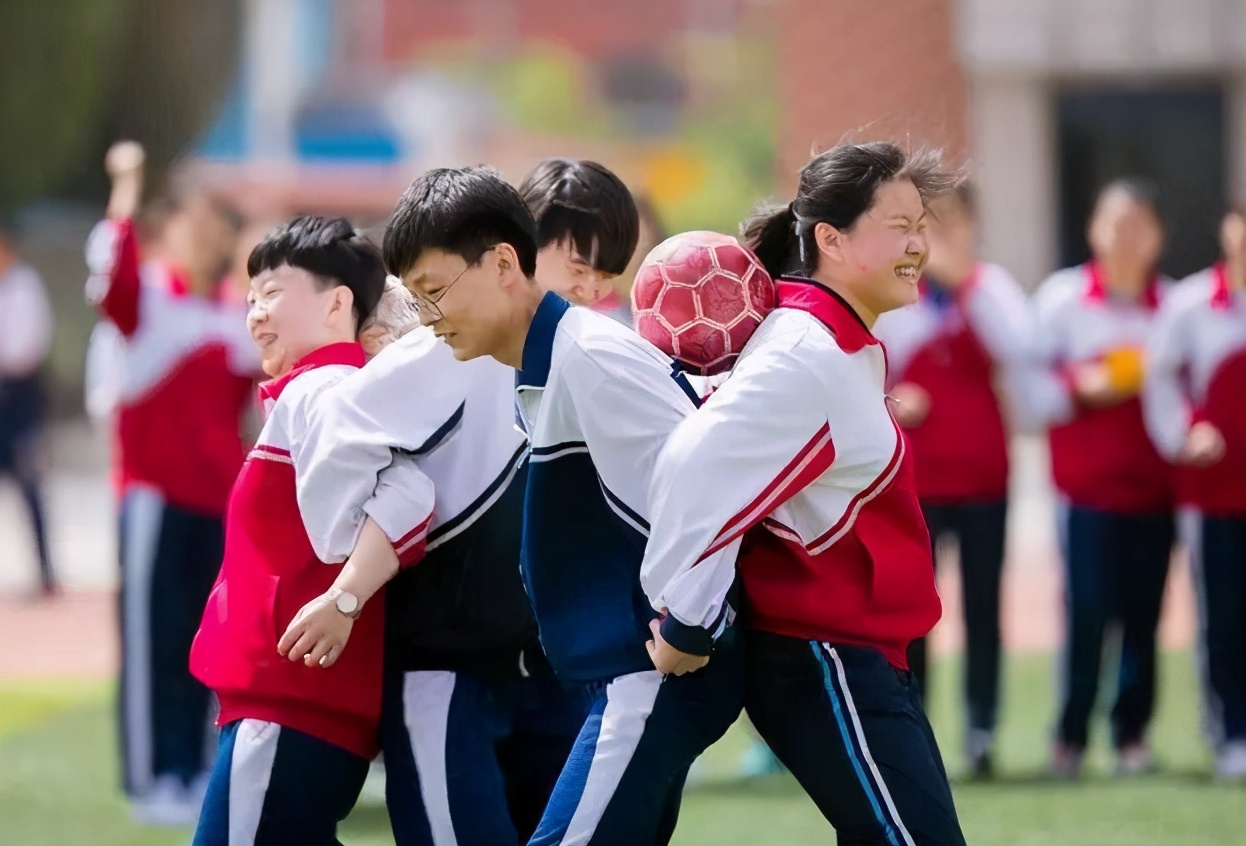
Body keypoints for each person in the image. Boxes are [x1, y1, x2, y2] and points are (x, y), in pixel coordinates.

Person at [275, 158, 648, 846]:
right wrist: (349, 562)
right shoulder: (444, 352)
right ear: (516, 251)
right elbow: (340, 434)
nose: (592, 287)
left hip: (553, 667)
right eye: (579, 264)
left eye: (607, 274)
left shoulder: (592, 350)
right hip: (443, 666)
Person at [380, 164, 744, 846]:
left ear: (502, 264)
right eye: (416, 299)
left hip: (652, 670)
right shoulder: (540, 362)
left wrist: (690, 625)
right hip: (625, 674)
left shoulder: (589, 356)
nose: (428, 319)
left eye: (434, 292)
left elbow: (714, 477)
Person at [640, 141, 967, 845]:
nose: (918, 245)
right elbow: (694, 463)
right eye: (899, 226)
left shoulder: (828, 339)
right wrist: (684, 620)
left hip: (855, 653)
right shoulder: (805, 352)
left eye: (921, 226)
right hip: (825, 656)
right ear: (831, 239)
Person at [189, 215, 437, 846]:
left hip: (289, 703)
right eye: (251, 299)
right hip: (297, 704)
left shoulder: (324, 388)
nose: (255, 314)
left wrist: (343, 599)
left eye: (272, 293)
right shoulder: (323, 390)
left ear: (336, 305)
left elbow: (410, 495)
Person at [85, 140, 256, 823]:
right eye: (195, 218)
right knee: (153, 639)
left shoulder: (235, 311)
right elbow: (112, 280)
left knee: (211, 643)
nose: (208, 232)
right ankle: (152, 777)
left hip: (221, 505)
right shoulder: (148, 297)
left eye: (217, 221)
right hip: (155, 498)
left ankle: (198, 767)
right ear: (170, 226)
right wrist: (125, 187)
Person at [872, 183, 1035, 776]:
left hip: (985, 477)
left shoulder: (991, 289)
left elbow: (1024, 349)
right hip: (914, 484)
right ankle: (914, 729)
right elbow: (868, 371)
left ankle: (981, 730)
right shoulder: (896, 293)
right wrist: (896, 398)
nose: (936, 235)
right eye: (924, 223)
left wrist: (965, 283)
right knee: (915, 614)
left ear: (971, 226)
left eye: (949, 222)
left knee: (984, 608)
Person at [1028, 178, 1176, 777]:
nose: (1127, 237)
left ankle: (1131, 736)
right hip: (1085, 494)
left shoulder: (1173, 307)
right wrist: (1083, 385)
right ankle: (1070, 737)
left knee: (1144, 616)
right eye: (1116, 223)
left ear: (1157, 236)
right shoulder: (1062, 301)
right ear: (1093, 229)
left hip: (1156, 492)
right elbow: (1030, 383)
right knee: (1085, 613)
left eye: (1139, 225)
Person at [1142, 206, 1246, 781]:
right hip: (1215, 492)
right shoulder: (1191, 305)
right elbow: (1160, 381)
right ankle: (1230, 731)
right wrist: (1186, 432)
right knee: (1223, 615)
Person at [0, 221, 57, 597]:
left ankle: (44, 570)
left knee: (29, 484)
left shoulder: (24, 286)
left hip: (19, 398)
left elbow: (24, 348)